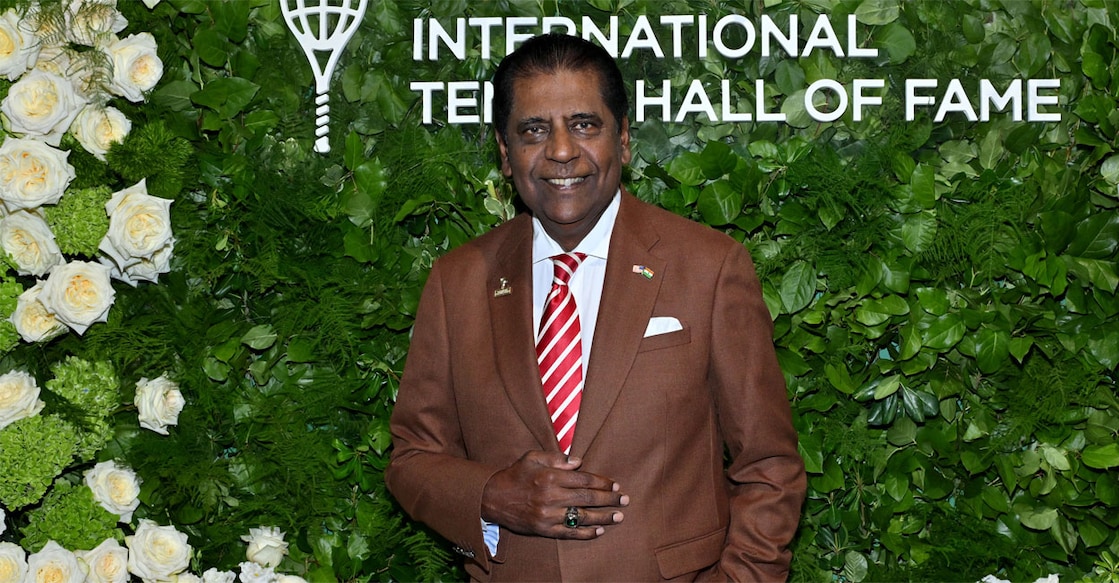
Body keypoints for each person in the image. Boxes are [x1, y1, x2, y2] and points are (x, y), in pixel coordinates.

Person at [384, 32, 805, 581]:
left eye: (584, 124)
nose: (561, 150)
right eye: (534, 130)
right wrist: (491, 496)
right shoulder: (457, 281)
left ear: (624, 140)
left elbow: (769, 467)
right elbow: (413, 459)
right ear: (505, 154)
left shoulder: (710, 267)